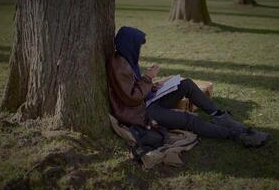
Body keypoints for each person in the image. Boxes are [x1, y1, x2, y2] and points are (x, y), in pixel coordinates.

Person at [107, 26, 270, 147]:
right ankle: (238, 134)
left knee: (185, 84)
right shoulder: (120, 65)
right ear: (129, 45)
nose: (140, 49)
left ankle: (220, 116)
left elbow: (134, 87)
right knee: (189, 119)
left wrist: (152, 86)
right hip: (142, 113)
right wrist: (148, 78)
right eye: (138, 46)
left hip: (147, 102)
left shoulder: (126, 59)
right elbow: (132, 96)